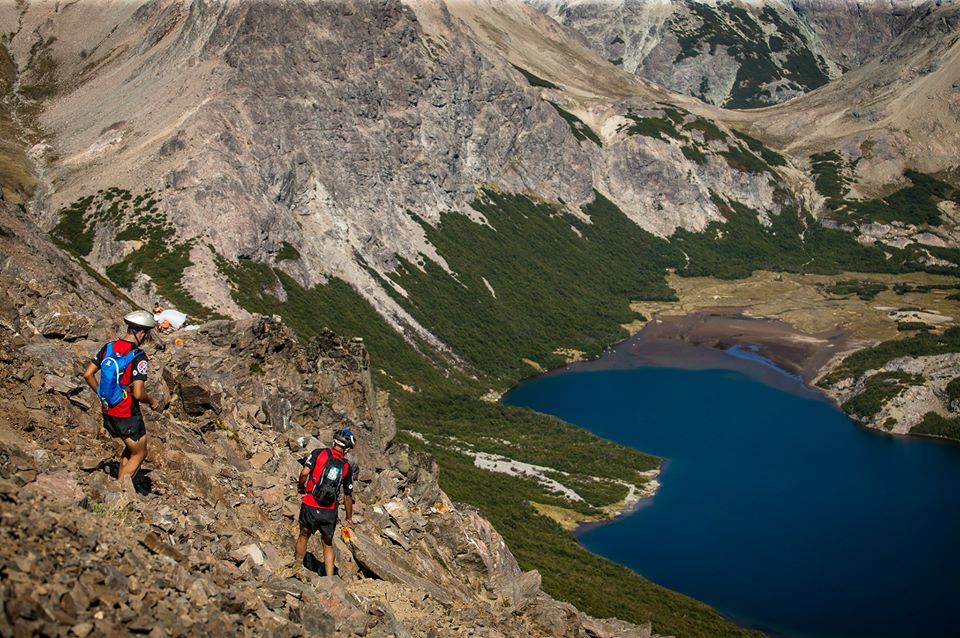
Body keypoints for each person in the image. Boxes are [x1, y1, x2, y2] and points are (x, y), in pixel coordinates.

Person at [82, 310, 162, 490]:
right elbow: (139, 393)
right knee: (140, 453)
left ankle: (121, 485)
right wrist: (152, 401)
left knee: (129, 448)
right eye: (148, 333)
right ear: (141, 333)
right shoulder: (138, 356)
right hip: (126, 412)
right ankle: (118, 492)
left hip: (108, 409)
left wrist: (102, 394)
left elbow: (88, 374)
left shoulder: (108, 347)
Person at [296, 428, 356, 576]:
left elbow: (304, 473)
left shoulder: (319, 453)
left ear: (334, 441)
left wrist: (301, 487)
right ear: (347, 449)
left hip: (310, 502)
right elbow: (348, 495)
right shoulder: (347, 466)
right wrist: (349, 518)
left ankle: (296, 566)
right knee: (327, 543)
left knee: (304, 535)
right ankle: (330, 579)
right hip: (329, 509)